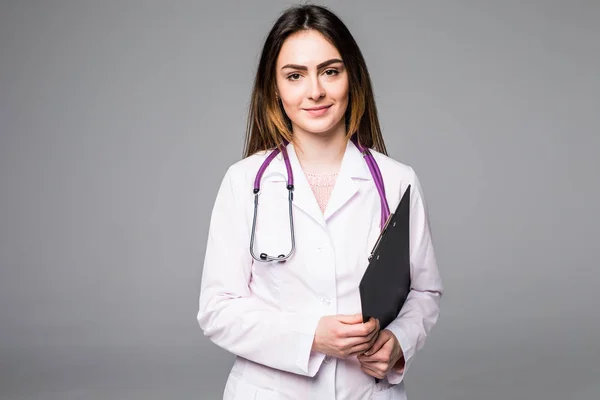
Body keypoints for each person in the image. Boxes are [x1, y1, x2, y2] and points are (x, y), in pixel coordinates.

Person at [197, 4, 443, 399]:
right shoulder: (244, 182)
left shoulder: (397, 181)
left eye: (330, 71)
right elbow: (217, 309)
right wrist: (312, 337)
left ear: (352, 78)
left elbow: (424, 292)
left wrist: (398, 342)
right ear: (274, 88)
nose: (315, 91)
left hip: (364, 389)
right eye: (295, 75)